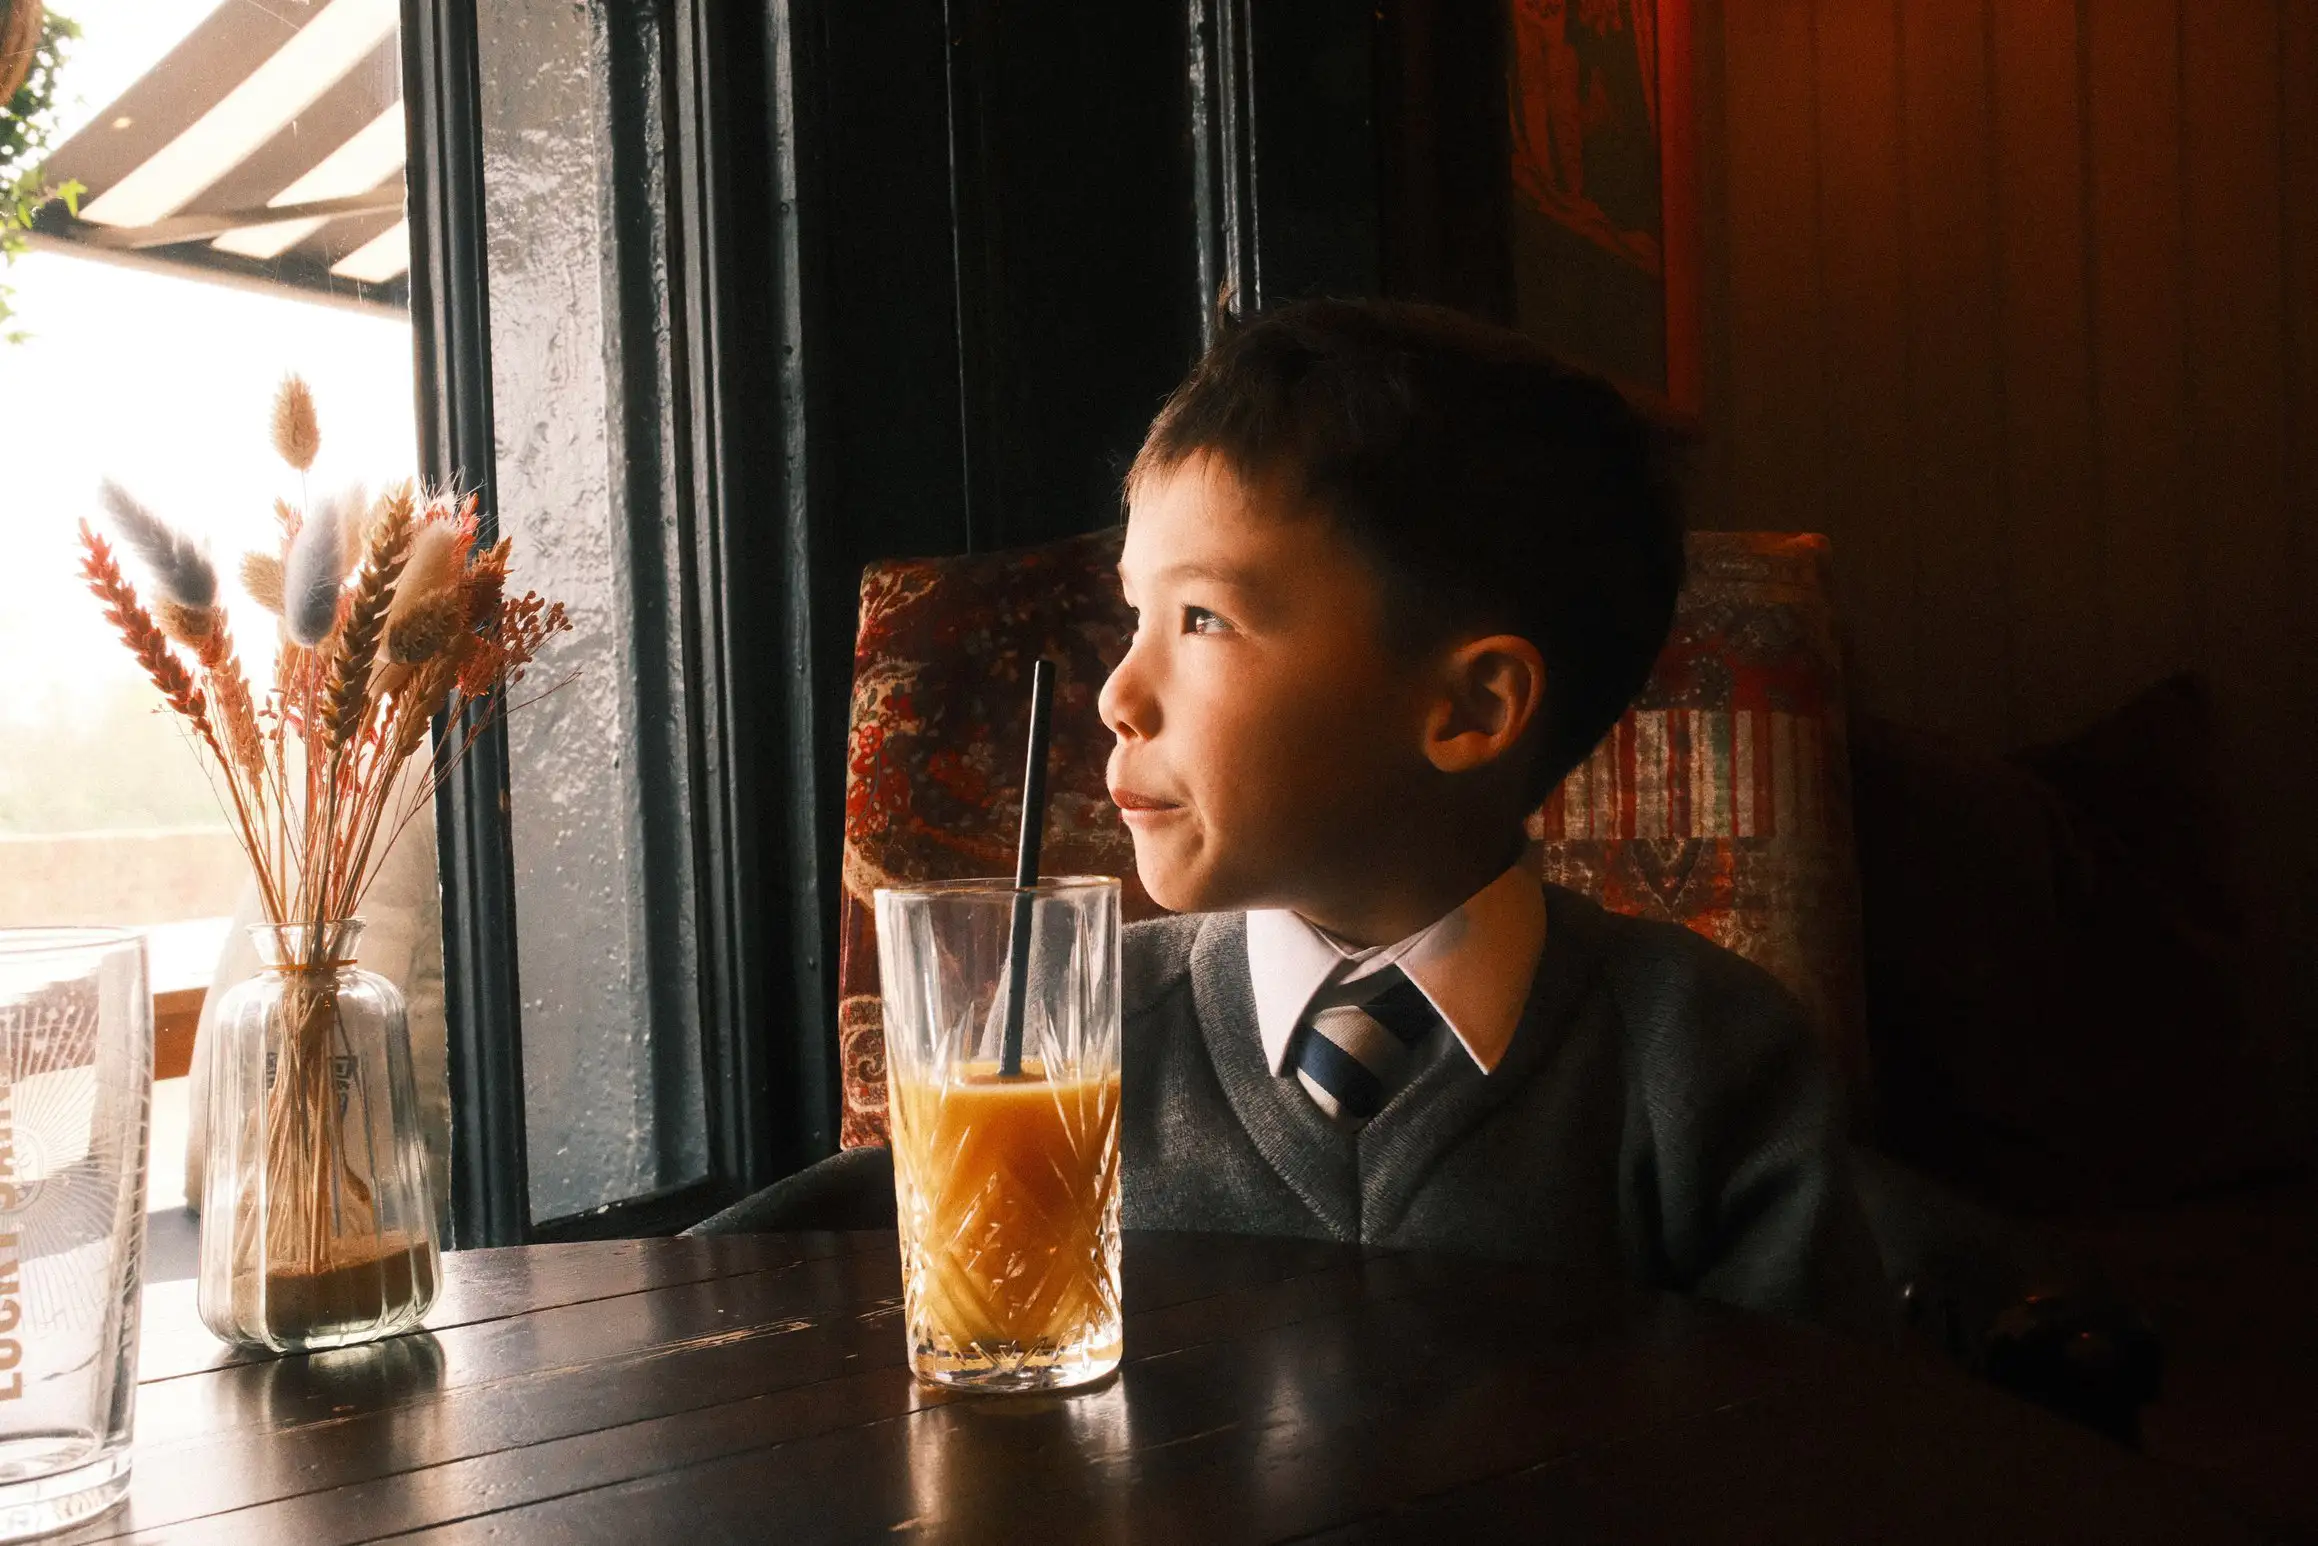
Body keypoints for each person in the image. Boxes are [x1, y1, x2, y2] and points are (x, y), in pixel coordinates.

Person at [699, 299, 1888, 1338]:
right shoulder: (1057, 1041)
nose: (1117, 694)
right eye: (1133, 614)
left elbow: (1803, 1458)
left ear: (1469, 707)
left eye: (1203, 619)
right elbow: (758, 1284)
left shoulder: (1706, 1061)